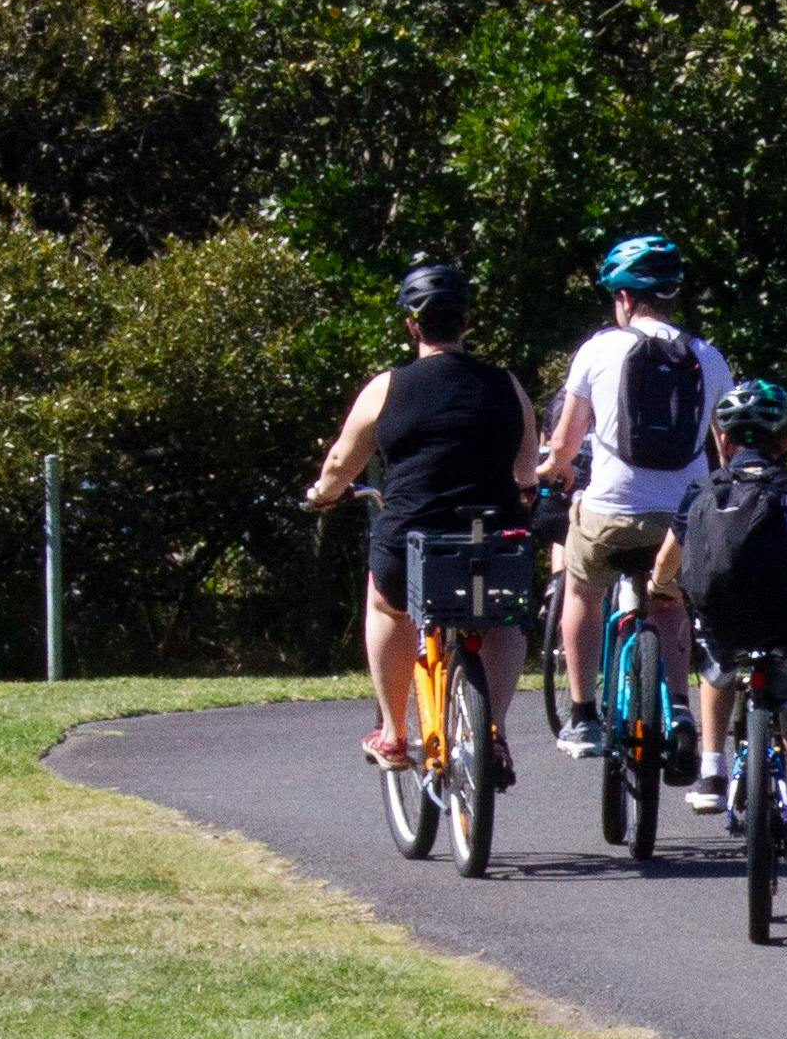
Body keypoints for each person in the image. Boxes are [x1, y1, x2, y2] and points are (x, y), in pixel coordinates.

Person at [305, 261, 541, 781]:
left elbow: (343, 464)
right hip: (492, 537)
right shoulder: (506, 385)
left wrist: (323, 495)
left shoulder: (387, 387)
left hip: (413, 537)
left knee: (386, 604)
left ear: (412, 325)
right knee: (503, 620)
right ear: (466, 321)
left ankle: (393, 734)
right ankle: (493, 731)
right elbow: (528, 466)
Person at [650, 378, 787, 868]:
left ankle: (711, 771)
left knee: (715, 670)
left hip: (722, 620)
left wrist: (659, 587)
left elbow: (670, 556)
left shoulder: (702, 489)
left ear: (723, 440)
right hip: (784, 622)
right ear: (785, 440)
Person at [535, 233, 728, 764]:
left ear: (623, 298)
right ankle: (682, 710)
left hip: (611, 514)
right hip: (682, 521)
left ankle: (583, 716)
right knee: (667, 600)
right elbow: (726, 451)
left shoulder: (598, 350)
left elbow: (566, 445)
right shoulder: (709, 359)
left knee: (582, 590)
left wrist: (548, 470)